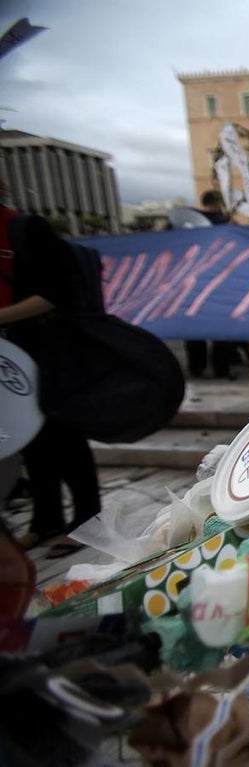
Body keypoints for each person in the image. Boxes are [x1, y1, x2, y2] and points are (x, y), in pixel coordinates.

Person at [0, 174, 100, 557]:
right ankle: (46, 519)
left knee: (64, 436)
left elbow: (57, 293)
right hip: (10, 357)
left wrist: (5, 315)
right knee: (30, 440)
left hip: (45, 351)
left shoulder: (26, 230)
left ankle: (88, 520)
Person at [185, 190, 245, 380]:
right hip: (220, 282)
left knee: (194, 328)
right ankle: (221, 368)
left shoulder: (189, 223)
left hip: (194, 282)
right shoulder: (224, 223)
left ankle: (196, 367)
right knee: (221, 329)